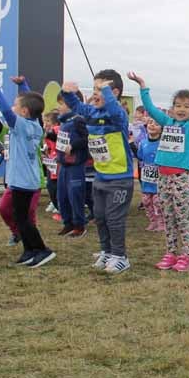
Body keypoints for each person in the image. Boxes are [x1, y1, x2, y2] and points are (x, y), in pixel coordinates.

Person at [128, 71, 189, 272]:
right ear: (172, 108)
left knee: (182, 217)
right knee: (168, 217)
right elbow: (149, 108)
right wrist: (142, 86)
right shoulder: (166, 123)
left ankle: (186, 256)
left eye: (186, 106)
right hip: (163, 177)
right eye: (178, 105)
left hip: (181, 177)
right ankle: (171, 252)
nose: (181, 109)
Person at [61, 69, 136, 275]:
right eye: (94, 88)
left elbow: (113, 108)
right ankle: (107, 251)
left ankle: (121, 256)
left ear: (115, 92)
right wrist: (67, 92)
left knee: (114, 218)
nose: (95, 93)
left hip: (120, 177)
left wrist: (106, 91)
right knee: (100, 217)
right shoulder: (92, 112)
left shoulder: (118, 114)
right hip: (100, 176)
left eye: (100, 89)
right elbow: (76, 105)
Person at [0, 70, 54, 268]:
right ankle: (29, 251)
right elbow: (34, 104)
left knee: (23, 219)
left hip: (23, 181)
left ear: (23, 112)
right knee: (21, 217)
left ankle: (42, 249)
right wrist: (23, 86)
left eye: (17, 105)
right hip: (25, 179)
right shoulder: (36, 125)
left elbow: (6, 110)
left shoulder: (21, 125)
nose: (12, 107)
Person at [55, 90, 91, 238]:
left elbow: (87, 138)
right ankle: (67, 222)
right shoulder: (63, 122)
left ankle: (79, 225)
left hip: (75, 164)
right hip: (63, 164)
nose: (59, 107)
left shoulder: (78, 120)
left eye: (61, 104)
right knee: (62, 196)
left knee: (75, 195)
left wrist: (74, 146)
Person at [134, 118, 163, 232]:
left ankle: (161, 222)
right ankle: (153, 221)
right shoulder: (143, 143)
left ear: (161, 130)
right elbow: (140, 156)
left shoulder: (162, 143)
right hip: (146, 179)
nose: (152, 125)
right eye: (150, 123)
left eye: (156, 124)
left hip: (159, 180)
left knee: (158, 202)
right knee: (146, 201)